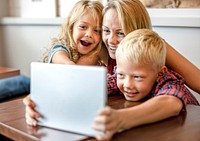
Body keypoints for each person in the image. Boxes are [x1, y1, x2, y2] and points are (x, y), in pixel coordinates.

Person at [23, 0, 200, 129]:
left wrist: (122, 118)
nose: (111, 40)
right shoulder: (100, 47)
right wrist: (41, 99)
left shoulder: (155, 52)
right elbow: (79, 81)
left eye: (121, 33)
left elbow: (175, 97)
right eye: (106, 31)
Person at [92, 29, 199, 141]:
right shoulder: (126, 74)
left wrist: (120, 119)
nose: (127, 84)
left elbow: (171, 103)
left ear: (160, 73)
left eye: (137, 77)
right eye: (121, 75)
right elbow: (100, 85)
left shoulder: (169, 81)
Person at [42, 0, 103, 65]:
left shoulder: (99, 51)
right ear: (71, 28)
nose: (89, 34)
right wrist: (70, 64)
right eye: (83, 27)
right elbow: (58, 56)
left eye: (96, 30)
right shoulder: (62, 47)